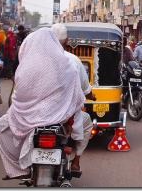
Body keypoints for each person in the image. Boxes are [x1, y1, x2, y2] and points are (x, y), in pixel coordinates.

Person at [0, 28, 85, 179]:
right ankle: (76, 161)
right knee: (80, 118)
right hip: (60, 117)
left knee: (1, 128)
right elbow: (77, 95)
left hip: (28, 118)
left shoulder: (25, 68)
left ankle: (18, 169)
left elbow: (18, 97)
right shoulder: (68, 65)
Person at [51, 23, 94, 174]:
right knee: (87, 121)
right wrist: (91, 96)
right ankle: (76, 161)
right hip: (65, 115)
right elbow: (86, 89)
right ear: (67, 41)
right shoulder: (73, 60)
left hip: (39, 113)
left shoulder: (37, 58)